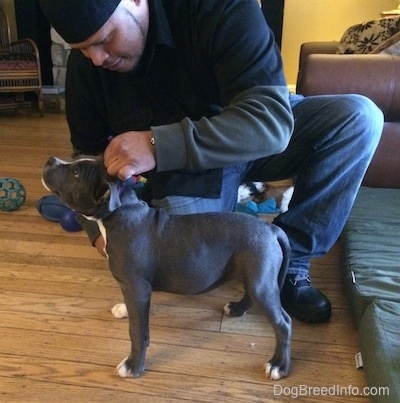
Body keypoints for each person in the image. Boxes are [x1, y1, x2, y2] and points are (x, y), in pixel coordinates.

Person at [39, 0, 383, 323]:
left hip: (255, 139)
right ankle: (230, 212)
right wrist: (95, 229)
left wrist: (157, 143)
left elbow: (271, 123)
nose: (96, 58)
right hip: (190, 171)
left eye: (104, 39)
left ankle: (290, 259)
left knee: (360, 119)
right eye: (82, 49)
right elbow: (83, 157)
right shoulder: (88, 68)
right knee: (181, 256)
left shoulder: (220, 6)